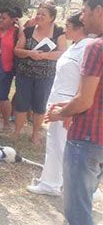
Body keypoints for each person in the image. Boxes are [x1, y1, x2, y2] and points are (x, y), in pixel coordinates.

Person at [45, 0, 102, 225]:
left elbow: (83, 100)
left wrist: (60, 113)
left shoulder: (95, 47)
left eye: (86, 10)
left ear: (99, 11)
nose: (82, 16)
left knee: (77, 209)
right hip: (99, 142)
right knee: (82, 201)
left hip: (87, 140)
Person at [26, 13, 93, 196]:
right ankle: (52, 181)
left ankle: (78, 186)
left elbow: (86, 80)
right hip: (58, 97)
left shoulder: (87, 47)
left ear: (79, 28)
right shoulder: (75, 46)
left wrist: (70, 109)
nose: (65, 30)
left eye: (69, 27)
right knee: (55, 142)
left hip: (69, 102)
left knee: (63, 144)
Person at [13, 1, 67, 144]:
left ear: (52, 18)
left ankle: (35, 134)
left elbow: (62, 53)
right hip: (24, 74)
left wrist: (44, 56)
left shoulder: (58, 32)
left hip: (46, 76)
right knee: (21, 103)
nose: (39, 16)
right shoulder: (28, 31)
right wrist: (30, 53)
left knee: (40, 105)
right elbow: (17, 50)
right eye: (38, 13)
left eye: (43, 14)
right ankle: (17, 132)